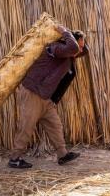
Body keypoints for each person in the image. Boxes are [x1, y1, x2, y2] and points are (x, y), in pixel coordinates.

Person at [8, 25, 89, 169]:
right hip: (33, 92)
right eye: (79, 46)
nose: (81, 50)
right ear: (68, 41)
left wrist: (78, 41)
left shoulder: (69, 56)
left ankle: (62, 155)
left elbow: (81, 51)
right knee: (26, 127)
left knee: (55, 126)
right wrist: (65, 32)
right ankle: (15, 158)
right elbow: (74, 49)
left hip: (45, 97)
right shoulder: (55, 48)